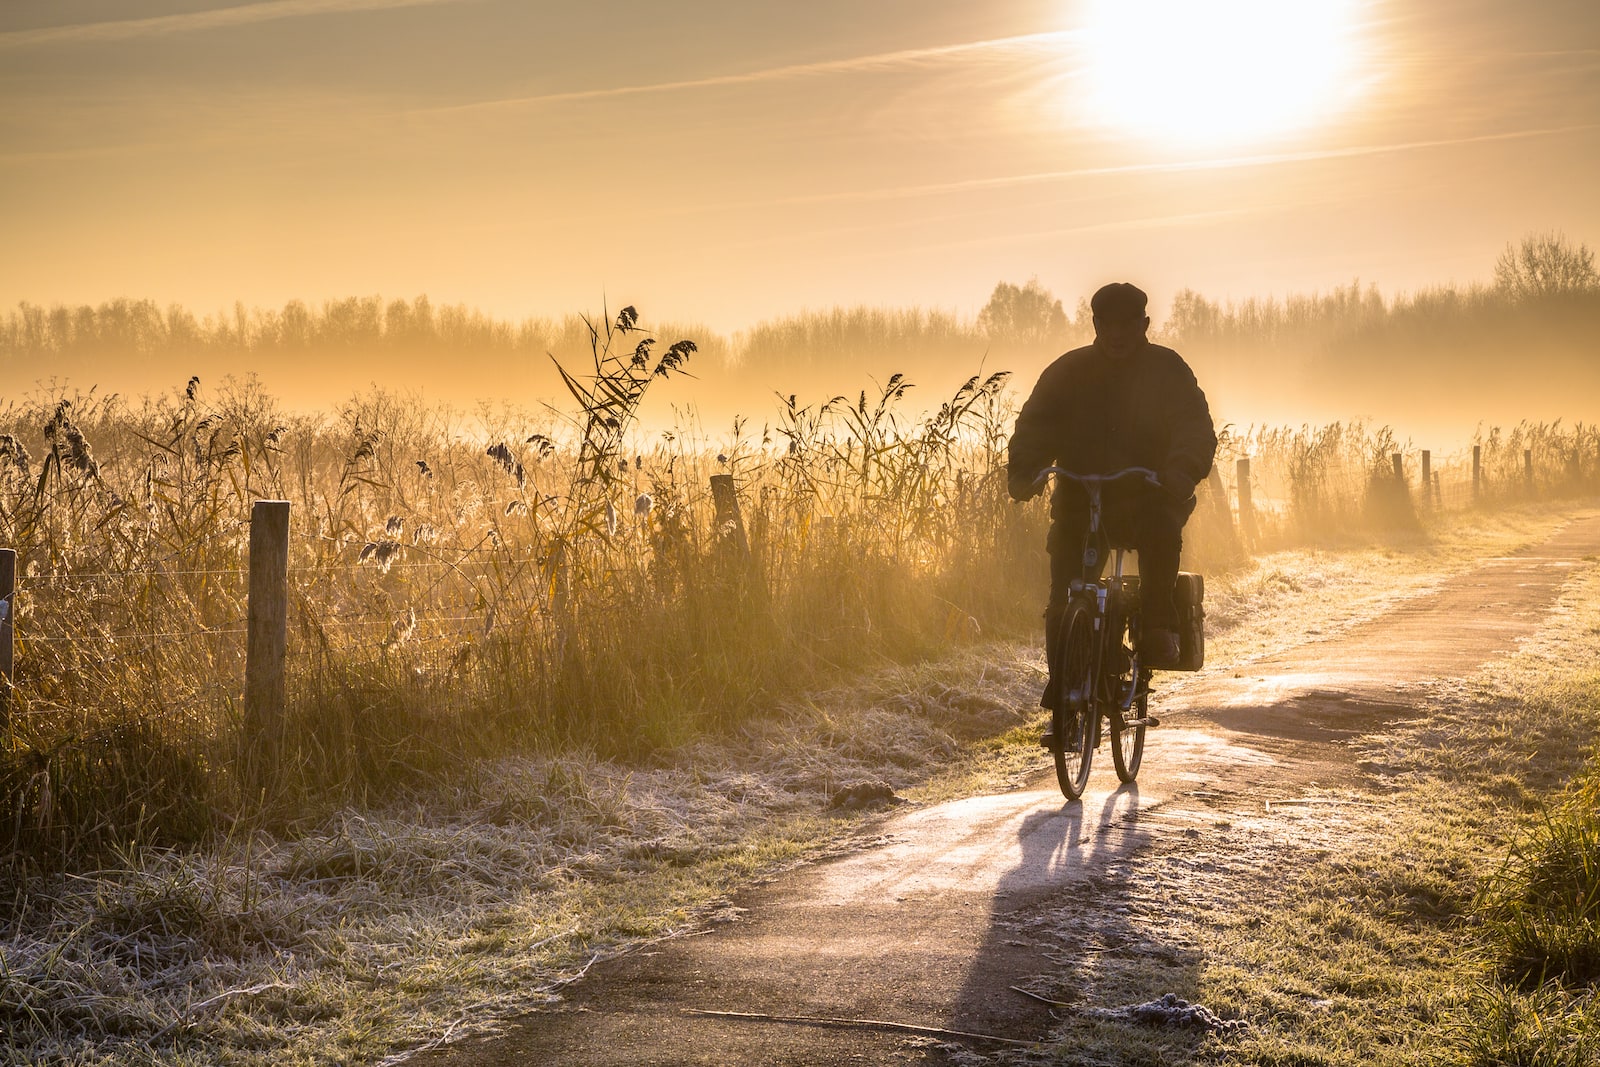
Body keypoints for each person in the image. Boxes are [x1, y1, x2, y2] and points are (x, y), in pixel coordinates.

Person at [1007, 282, 1217, 702]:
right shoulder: (1067, 372)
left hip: (1149, 495)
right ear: (1095, 325)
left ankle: (1157, 624)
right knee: (1064, 591)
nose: (1117, 334)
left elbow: (1194, 428)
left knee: (1160, 532)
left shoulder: (1167, 369)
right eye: (1108, 325)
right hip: (1080, 499)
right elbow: (1035, 425)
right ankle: (1065, 678)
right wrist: (1025, 471)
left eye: (1127, 325)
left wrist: (1180, 472)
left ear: (1144, 324)